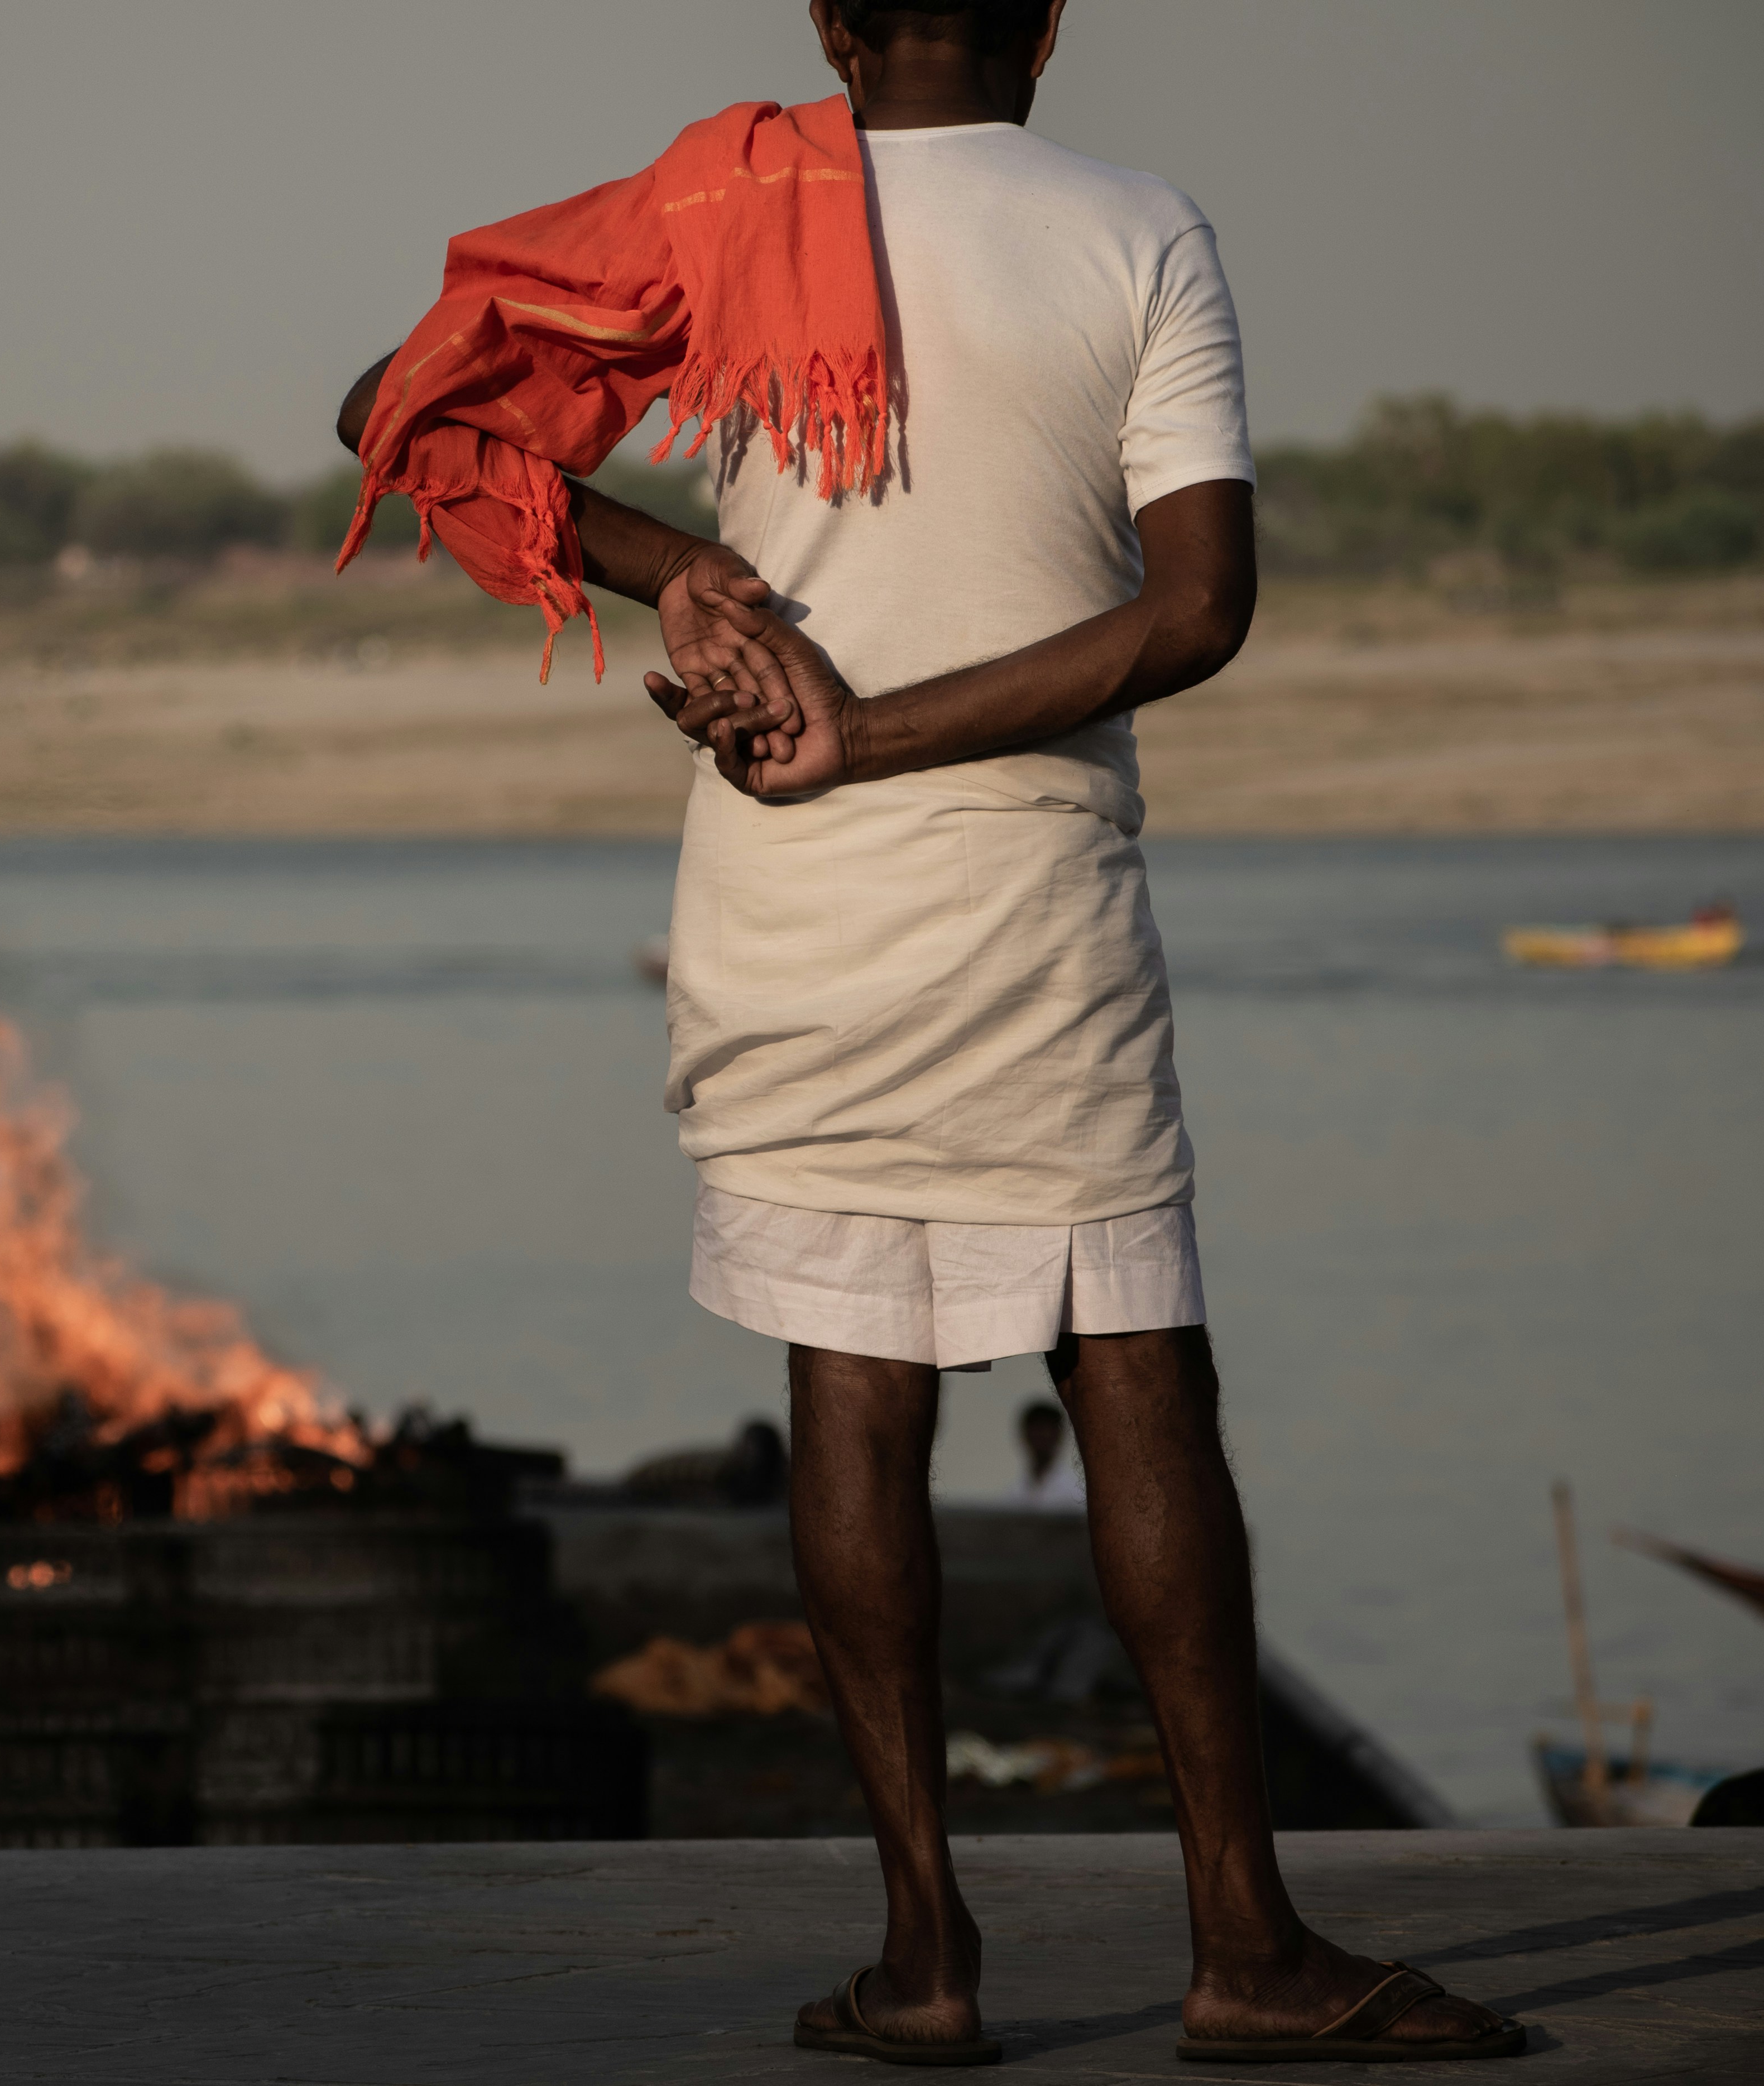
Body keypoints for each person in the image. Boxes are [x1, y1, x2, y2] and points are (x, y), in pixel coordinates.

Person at [334, 0, 1523, 2065]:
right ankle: (1242, 1944)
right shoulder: (1140, 229)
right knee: (1135, 1369)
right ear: (1049, 16)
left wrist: (672, 566)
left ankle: (923, 1955)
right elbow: (1194, 611)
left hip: (782, 895)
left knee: (853, 1395)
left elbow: (395, 399)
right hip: (1030, 884)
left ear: (823, 21)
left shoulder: (715, 207)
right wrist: (876, 721)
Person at [1009, 1399, 1085, 1512]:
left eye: (1046, 1428)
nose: (1041, 1435)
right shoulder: (1014, 1493)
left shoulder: (1076, 1493)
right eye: (1036, 1428)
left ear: (1058, 1435)